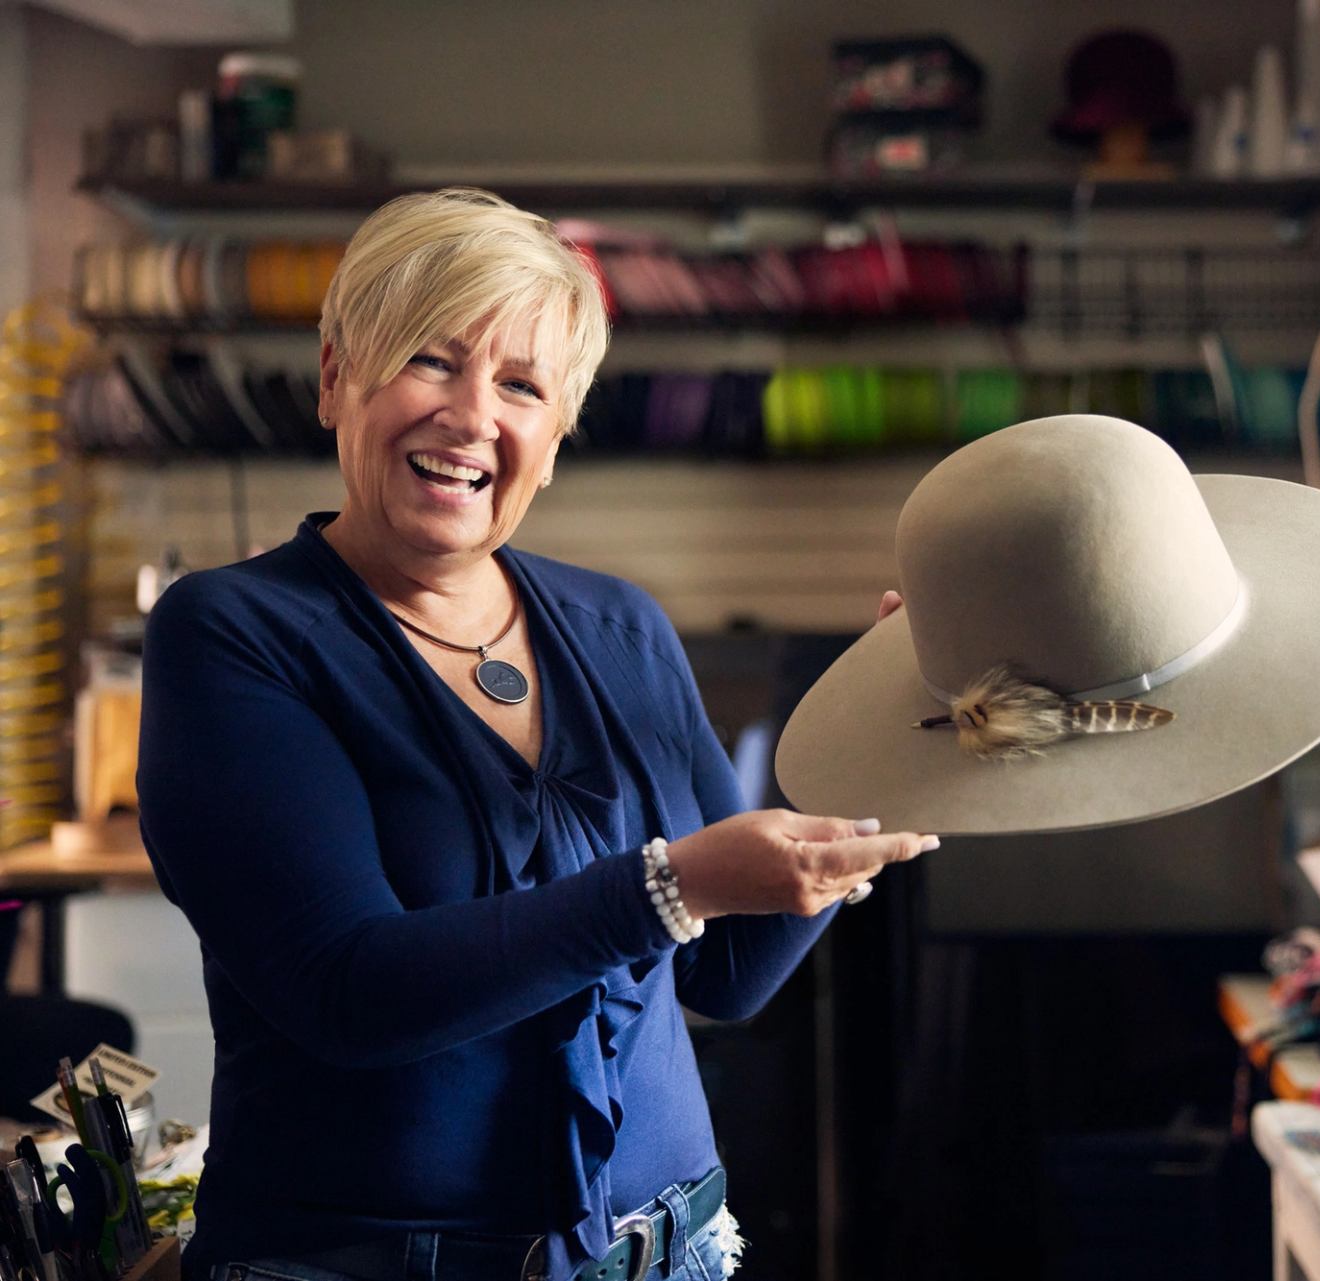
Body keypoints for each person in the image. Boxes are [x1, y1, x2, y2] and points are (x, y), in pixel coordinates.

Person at [137, 188, 933, 1281]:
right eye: (430, 360)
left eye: (521, 386)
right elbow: (345, 990)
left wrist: (903, 740)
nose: (473, 417)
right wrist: (665, 887)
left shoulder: (620, 627)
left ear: (554, 441)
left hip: (671, 1252)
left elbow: (731, 971)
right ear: (335, 379)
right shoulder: (237, 634)